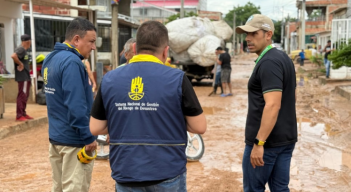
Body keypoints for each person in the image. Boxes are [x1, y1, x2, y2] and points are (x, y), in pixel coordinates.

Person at [89, 20, 207, 192]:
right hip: (167, 172)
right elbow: (199, 126)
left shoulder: (110, 79)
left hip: (126, 171)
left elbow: (95, 127)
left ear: (135, 48)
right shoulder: (178, 78)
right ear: (166, 51)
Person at [236, 14, 297, 192]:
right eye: (247, 34)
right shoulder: (282, 58)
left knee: (254, 189)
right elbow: (291, 96)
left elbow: (273, 105)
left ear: (268, 34)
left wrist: (259, 143)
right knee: (280, 188)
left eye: (254, 33)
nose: (248, 38)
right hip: (285, 139)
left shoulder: (269, 62)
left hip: (267, 143)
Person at [42, 18, 97, 192]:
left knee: (58, 187)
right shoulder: (72, 62)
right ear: (76, 39)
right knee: (74, 188)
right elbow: (76, 104)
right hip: (74, 141)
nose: (94, 47)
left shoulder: (50, 58)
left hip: (56, 137)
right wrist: (88, 136)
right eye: (91, 42)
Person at [11, 34, 33, 121]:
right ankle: (19, 115)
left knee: (25, 95)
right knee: (22, 95)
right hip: (22, 77)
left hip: (26, 77)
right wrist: (20, 64)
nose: (30, 43)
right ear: (27, 41)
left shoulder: (23, 50)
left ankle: (23, 113)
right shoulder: (21, 49)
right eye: (30, 41)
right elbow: (13, 56)